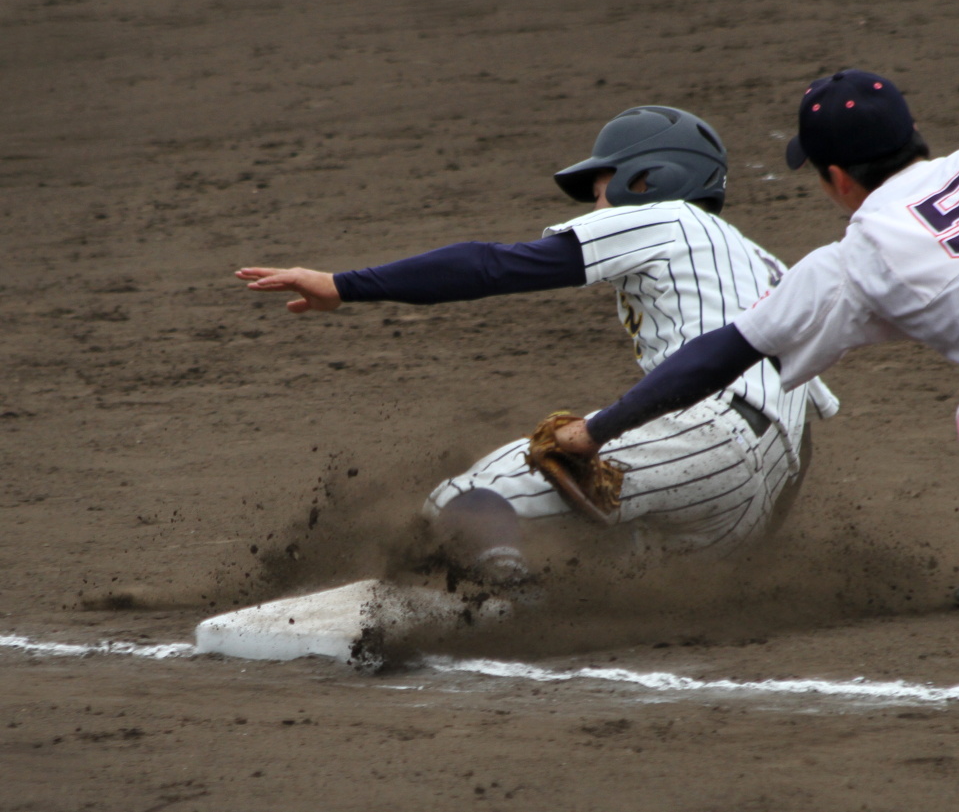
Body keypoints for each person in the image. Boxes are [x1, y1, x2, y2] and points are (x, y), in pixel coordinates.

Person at [552, 70, 959, 610]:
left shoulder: (854, 260)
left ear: (837, 179)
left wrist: (598, 429)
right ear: (912, 137)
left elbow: (721, 354)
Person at [237, 105, 838, 587]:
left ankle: (500, 604)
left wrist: (344, 286)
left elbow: (491, 266)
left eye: (601, 187)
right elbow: (804, 431)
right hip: (751, 501)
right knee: (603, 550)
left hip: (706, 434)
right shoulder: (768, 269)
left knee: (467, 501)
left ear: (646, 178)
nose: (596, 205)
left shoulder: (666, 217)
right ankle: (539, 597)